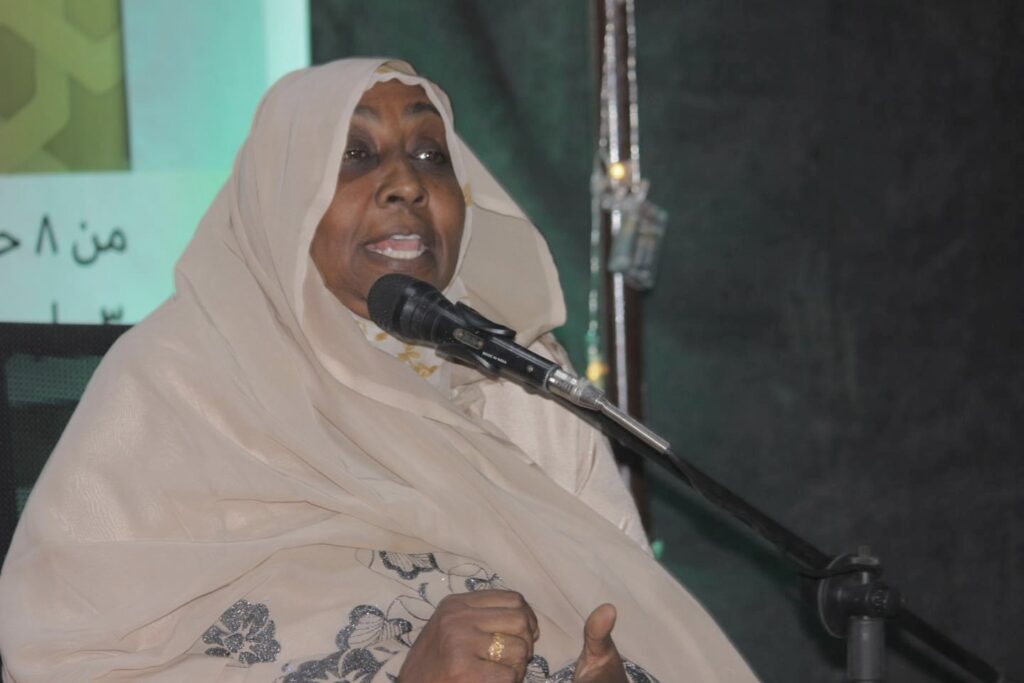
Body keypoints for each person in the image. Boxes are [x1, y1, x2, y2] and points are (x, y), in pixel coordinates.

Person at [0, 58, 757, 682]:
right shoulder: (180, 376)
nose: (407, 185)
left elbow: (631, 616)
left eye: (431, 156)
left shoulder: (521, 380)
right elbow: (65, 659)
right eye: (355, 156)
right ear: (282, 197)